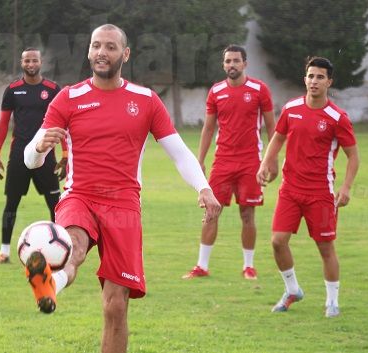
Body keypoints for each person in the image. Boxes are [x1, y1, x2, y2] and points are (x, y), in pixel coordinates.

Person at [23, 24, 221, 353]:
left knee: (115, 306)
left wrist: (204, 187)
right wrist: (40, 146)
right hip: (80, 196)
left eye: (111, 47)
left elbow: (178, 151)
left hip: (125, 206)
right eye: (96, 45)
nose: (102, 52)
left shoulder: (145, 100)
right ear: (88, 52)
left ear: (125, 54)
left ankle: (51, 281)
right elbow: (30, 159)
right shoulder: (68, 98)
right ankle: (48, 282)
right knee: (74, 245)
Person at [257, 57, 359, 318]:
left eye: (320, 77)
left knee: (325, 248)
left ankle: (332, 301)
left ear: (329, 82)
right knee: (278, 242)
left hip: (320, 194)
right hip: (290, 190)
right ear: (305, 79)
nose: (314, 81)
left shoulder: (337, 118)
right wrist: (265, 163)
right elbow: (277, 138)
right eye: (310, 76)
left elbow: (353, 157)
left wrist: (346, 188)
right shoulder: (291, 109)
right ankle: (292, 290)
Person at [183, 45, 276, 280]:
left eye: (236, 61)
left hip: (250, 162)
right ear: (223, 65)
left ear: (245, 63)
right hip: (222, 161)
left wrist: (271, 160)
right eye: (227, 61)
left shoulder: (259, 89)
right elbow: (208, 128)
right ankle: (201, 266)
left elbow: (273, 127)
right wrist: (200, 161)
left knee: (247, 215)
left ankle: (248, 266)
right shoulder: (216, 92)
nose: (231, 65)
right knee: (212, 211)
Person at [0, 48, 67, 266]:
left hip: (46, 154)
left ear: (41, 62)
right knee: (11, 203)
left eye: (34, 60)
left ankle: (63, 253)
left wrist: (65, 154)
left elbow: (62, 123)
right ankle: (4, 253)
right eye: (27, 60)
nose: (31, 64)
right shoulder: (13, 90)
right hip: (19, 155)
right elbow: (3, 124)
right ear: (21, 63)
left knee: (56, 204)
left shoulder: (52, 89)